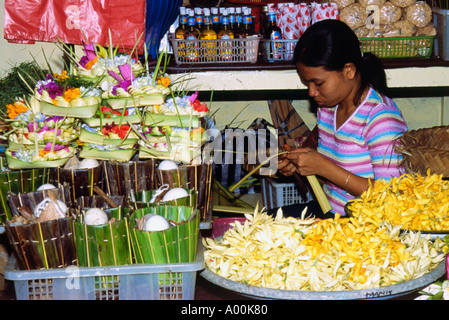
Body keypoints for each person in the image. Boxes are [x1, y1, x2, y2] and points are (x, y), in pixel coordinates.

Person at [278, 19, 408, 216]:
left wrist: (324, 167)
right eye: (307, 83)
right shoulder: (329, 109)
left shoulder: (381, 120)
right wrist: (300, 166)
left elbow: (393, 195)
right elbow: (329, 180)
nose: (312, 92)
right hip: (332, 215)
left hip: (366, 227)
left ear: (349, 70)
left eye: (318, 83)